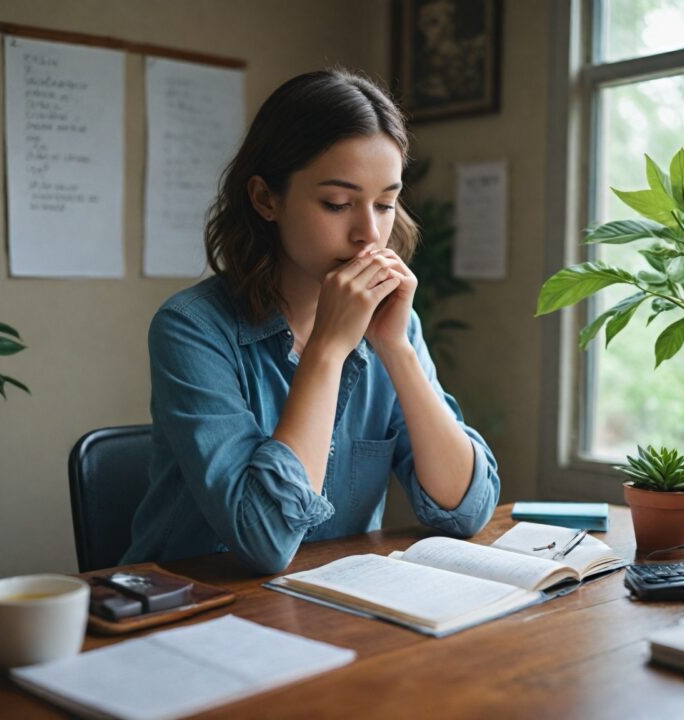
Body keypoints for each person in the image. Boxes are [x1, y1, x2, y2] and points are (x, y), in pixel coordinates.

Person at [122, 68, 500, 574]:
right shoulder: (191, 328)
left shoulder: (393, 325)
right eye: (337, 204)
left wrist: (397, 350)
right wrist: (328, 349)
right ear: (266, 199)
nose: (370, 234)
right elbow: (265, 540)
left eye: (385, 204)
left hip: (330, 600)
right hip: (195, 603)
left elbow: (467, 510)